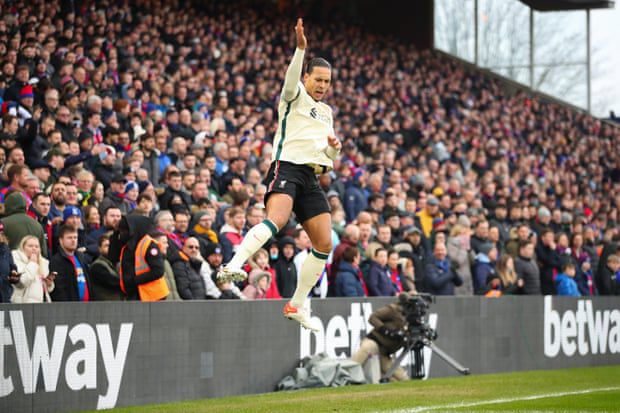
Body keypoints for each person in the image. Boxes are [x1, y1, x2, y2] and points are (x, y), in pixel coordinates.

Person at [218, 19, 342, 330]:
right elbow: (289, 82)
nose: (323, 86)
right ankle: (233, 264)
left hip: (310, 177)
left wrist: (333, 150)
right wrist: (300, 49)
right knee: (277, 220)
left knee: (324, 243)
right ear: (306, 77)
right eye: (318, 79)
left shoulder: (326, 113)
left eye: (327, 81)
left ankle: (296, 305)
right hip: (286, 166)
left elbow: (325, 162)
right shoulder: (294, 95)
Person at [350, 295, 409, 381]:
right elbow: (372, 317)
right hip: (374, 341)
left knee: (402, 379)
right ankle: (346, 375)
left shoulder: (412, 321)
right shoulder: (393, 309)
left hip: (385, 354)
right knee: (367, 347)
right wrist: (385, 331)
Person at [109, 215, 168, 301]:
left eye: (125, 230)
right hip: (134, 294)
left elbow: (158, 271)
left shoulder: (149, 245)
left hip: (152, 296)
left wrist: (135, 280)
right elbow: (112, 257)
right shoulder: (127, 245)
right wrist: (115, 234)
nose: (122, 233)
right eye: (121, 230)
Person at [50, 225, 93, 302]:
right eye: (69, 238)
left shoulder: (81, 257)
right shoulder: (56, 261)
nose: (73, 240)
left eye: (75, 237)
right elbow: (59, 289)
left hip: (87, 306)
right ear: (61, 240)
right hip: (69, 309)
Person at [11, 236, 54, 303]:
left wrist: (49, 284)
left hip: (41, 304)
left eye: (37, 246)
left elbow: (44, 289)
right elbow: (22, 282)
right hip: (23, 304)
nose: (34, 248)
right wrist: (33, 264)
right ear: (23, 247)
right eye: (30, 246)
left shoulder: (43, 263)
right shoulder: (16, 260)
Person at [89, 233, 123, 300]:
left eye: (112, 245)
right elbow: (115, 282)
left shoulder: (116, 263)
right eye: (106, 246)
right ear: (99, 248)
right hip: (104, 306)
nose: (110, 248)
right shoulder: (97, 266)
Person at [0, 223, 19, 302]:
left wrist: (13, 274)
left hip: (5, 294)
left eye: (1, 233)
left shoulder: (5, 248)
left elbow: (11, 265)